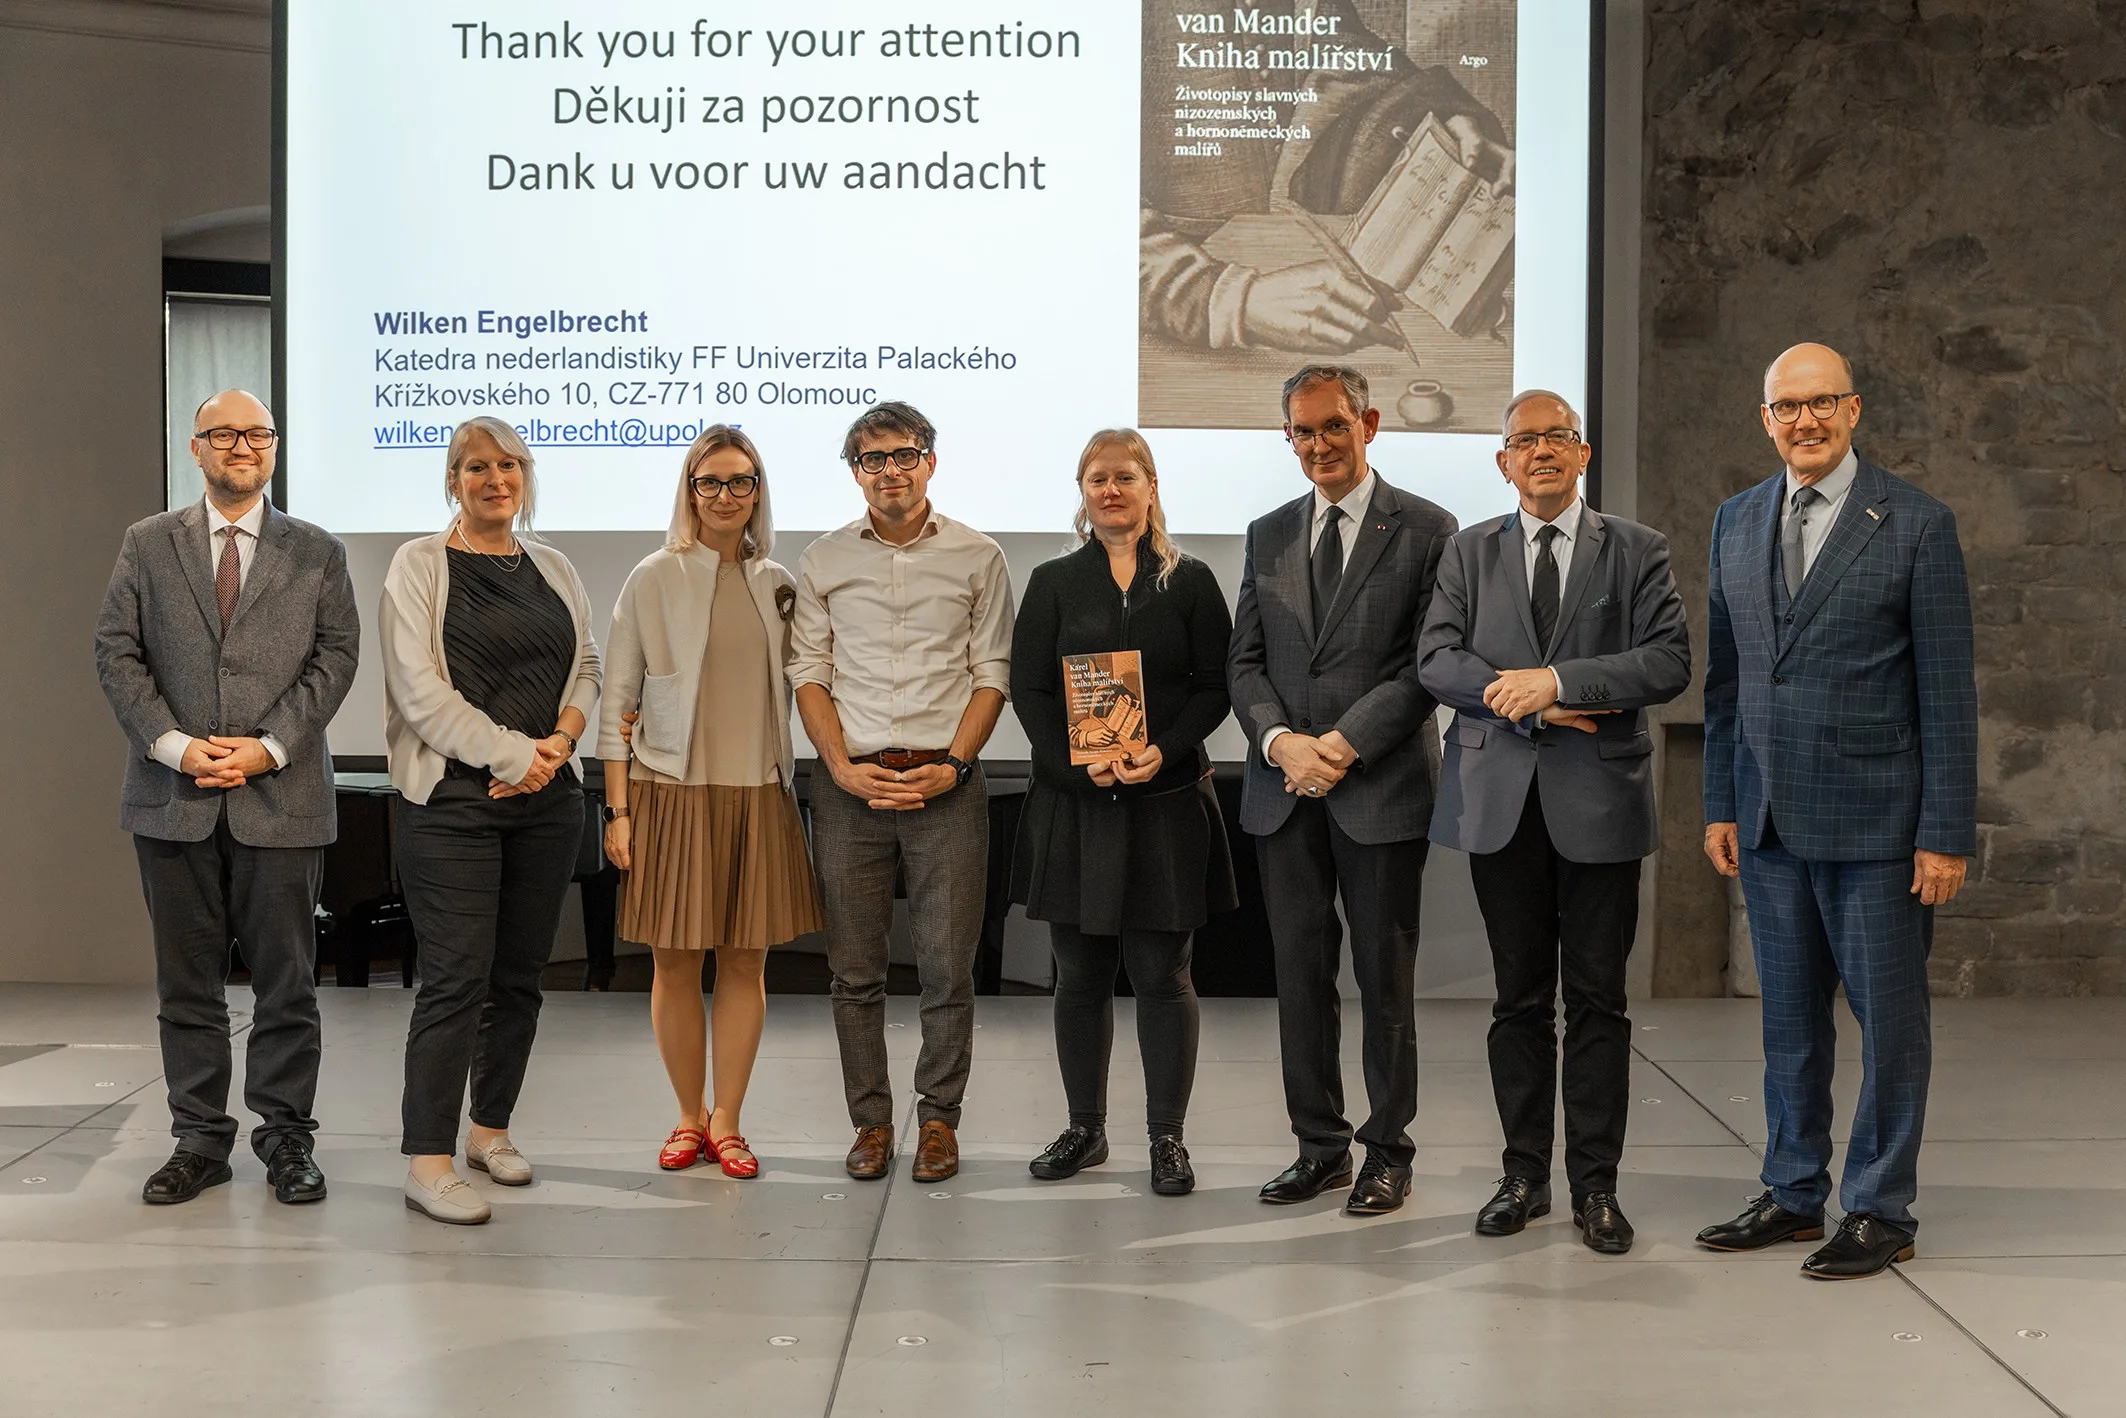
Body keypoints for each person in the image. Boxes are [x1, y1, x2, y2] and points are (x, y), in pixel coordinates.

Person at [1698, 343, 1977, 1280]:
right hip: (1771, 823)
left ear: (1853, 411)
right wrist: (1721, 804)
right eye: (1787, 408)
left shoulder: (1916, 524)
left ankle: (1881, 1206)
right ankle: (1791, 1190)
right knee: (1788, 1024)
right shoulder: (1735, 522)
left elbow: (1947, 692)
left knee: (1890, 1026)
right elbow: (1729, 682)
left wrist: (1944, 831)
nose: (1804, 422)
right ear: (1766, 419)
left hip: (1880, 829)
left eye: (1822, 404)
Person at [1417, 390, 1691, 1254]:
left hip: (1600, 808)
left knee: (1600, 1003)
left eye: (1557, 437)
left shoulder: (1637, 549)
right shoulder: (1467, 549)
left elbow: (1668, 659)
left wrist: (1561, 682)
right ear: (1502, 461)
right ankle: (1522, 1176)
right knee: (1519, 1001)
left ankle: (1596, 1188)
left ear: (1583, 455)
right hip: (1501, 805)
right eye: (1524, 440)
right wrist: (1529, 704)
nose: (1541, 451)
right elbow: (1436, 657)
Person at [93, 389, 360, 1207]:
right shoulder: (148, 543)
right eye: (225, 435)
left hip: (282, 796)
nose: (243, 446)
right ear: (197, 450)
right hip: (171, 798)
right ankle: (200, 1140)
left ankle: (286, 1139)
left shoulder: (317, 550)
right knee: (187, 985)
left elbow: (336, 658)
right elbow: (117, 651)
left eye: (259, 434)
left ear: (273, 448)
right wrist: (174, 745)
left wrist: (269, 747)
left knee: (287, 984)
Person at [1228, 364, 1458, 1215]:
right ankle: (1318, 1146)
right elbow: (1243, 661)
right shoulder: (1267, 532)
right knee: (1299, 976)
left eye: (1332, 427)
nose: (1319, 444)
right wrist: (1285, 742)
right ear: (1287, 437)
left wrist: (1343, 744)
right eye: (1302, 431)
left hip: (1381, 786)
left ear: (1368, 423)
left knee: (1384, 980)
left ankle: (1387, 1151)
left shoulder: (1431, 529)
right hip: (1283, 787)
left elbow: (1425, 666)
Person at [379, 417, 601, 1225]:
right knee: (454, 982)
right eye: (477, 467)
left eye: (509, 464)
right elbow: (418, 690)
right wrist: (519, 756)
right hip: (453, 804)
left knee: (518, 979)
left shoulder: (555, 566)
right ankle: (427, 1161)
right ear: (453, 481)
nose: (495, 478)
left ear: (526, 475)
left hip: (548, 804)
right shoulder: (418, 565)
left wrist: (560, 746)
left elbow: (586, 665)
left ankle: (489, 1131)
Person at [790, 401, 1015, 1185]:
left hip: (945, 784)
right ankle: (872, 1123)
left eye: (905, 454)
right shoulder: (821, 560)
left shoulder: (978, 556)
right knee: (854, 970)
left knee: (948, 967)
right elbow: (808, 674)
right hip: (849, 786)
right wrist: (840, 766)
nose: (891, 470)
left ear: (931, 461)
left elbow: (993, 676)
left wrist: (953, 765)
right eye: (873, 458)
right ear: (855, 471)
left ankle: (940, 1120)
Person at [1008, 429, 1237, 1197]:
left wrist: (1161, 751)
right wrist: (1077, 763)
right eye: (1098, 478)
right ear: (1083, 491)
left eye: (1126, 477)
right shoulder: (1052, 581)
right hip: (1077, 808)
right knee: (1078, 975)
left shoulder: (1193, 580)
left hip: (1165, 803)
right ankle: (1085, 1130)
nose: (1112, 490)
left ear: (1151, 486)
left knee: (1162, 975)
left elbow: (1215, 686)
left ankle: (1166, 1139)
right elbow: (1032, 689)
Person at [600, 427, 822, 1179]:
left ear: (758, 492)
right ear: (689, 490)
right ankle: (687, 1116)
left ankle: (728, 1121)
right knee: (672, 964)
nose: (726, 496)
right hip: (669, 794)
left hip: (758, 792)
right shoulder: (653, 576)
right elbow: (617, 703)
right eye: (711, 482)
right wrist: (618, 811)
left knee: (744, 965)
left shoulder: (777, 581)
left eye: (741, 482)